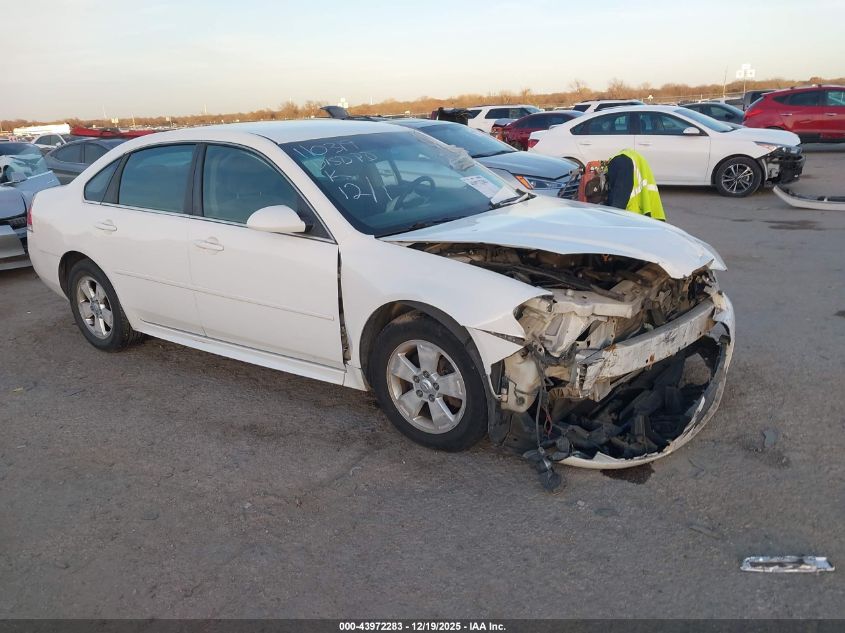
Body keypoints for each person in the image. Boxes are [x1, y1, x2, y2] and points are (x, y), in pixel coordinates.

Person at [605, 149, 666, 221]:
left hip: (632, 217)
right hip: (652, 214)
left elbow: (618, 205)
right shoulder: (630, 159)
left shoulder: (621, 165)